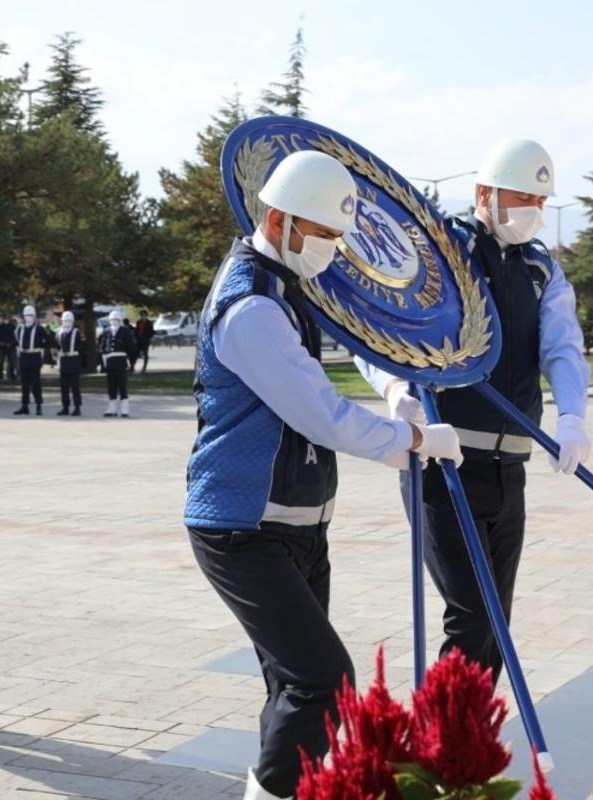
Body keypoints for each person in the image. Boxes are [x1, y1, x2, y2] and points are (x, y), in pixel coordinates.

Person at [184, 149, 464, 800]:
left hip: (299, 526)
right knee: (323, 682)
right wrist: (414, 440)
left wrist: (396, 387)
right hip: (241, 527)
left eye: (340, 238)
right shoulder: (250, 304)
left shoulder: (289, 283)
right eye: (324, 235)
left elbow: (359, 336)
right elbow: (322, 417)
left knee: (291, 686)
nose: (332, 251)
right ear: (280, 220)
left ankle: (282, 786)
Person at [358, 138, 591, 685]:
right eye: (521, 196)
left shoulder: (540, 270)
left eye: (540, 198)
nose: (532, 210)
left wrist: (573, 417)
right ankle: (438, 751)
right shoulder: (441, 252)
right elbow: (376, 331)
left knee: (495, 627)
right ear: (484, 193)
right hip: (446, 463)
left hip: (510, 467)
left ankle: (472, 751)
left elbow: (562, 346)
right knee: (470, 619)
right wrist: (395, 390)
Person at [98, 309, 136, 417]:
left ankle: (125, 409)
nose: (114, 321)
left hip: (121, 361)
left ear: (120, 320)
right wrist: (103, 361)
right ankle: (112, 408)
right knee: (111, 386)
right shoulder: (106, 331)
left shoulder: (125, 331)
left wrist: (131, 363)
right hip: (110, 362)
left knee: (122, 385)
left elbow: (131, 348)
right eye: (112, 319)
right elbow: (102, 347)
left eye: (116, 319)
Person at [14, 305, 49, 416]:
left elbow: (49, 340)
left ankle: (39, 406)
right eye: (26, 315)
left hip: (34, 357)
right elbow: (15, 340)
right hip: (24, 358)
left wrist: (40, 345)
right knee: (24, 384)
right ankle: (25, 406)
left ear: (34, 316)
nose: (28, 317)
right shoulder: (19, 328)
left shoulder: (39, 328)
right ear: (23, 316)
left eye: (30, 315)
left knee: (36, 383)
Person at [55, 310, 84, 416]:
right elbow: (57, 346)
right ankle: (65, 407)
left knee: (75, 386)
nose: (66, 322)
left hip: (73, 360)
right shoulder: (59, 332)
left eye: (68, 320)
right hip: (63, 360)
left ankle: (77, 407)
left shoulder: (77, 332)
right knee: (64, 386)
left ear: (72, 321)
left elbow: (82, 346)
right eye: (64, 320)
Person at [0, 315, 17, 381]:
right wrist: (0, 342)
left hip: (11, 347)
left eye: (7, 319)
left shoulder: (13, 327)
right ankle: (0, 375)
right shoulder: (0, 327)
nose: (6, 320)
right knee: (1, 361)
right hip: (2, 347)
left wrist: (11, 343)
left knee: (12, 362)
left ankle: (12, 375)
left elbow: (16, 337)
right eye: (5, 319)